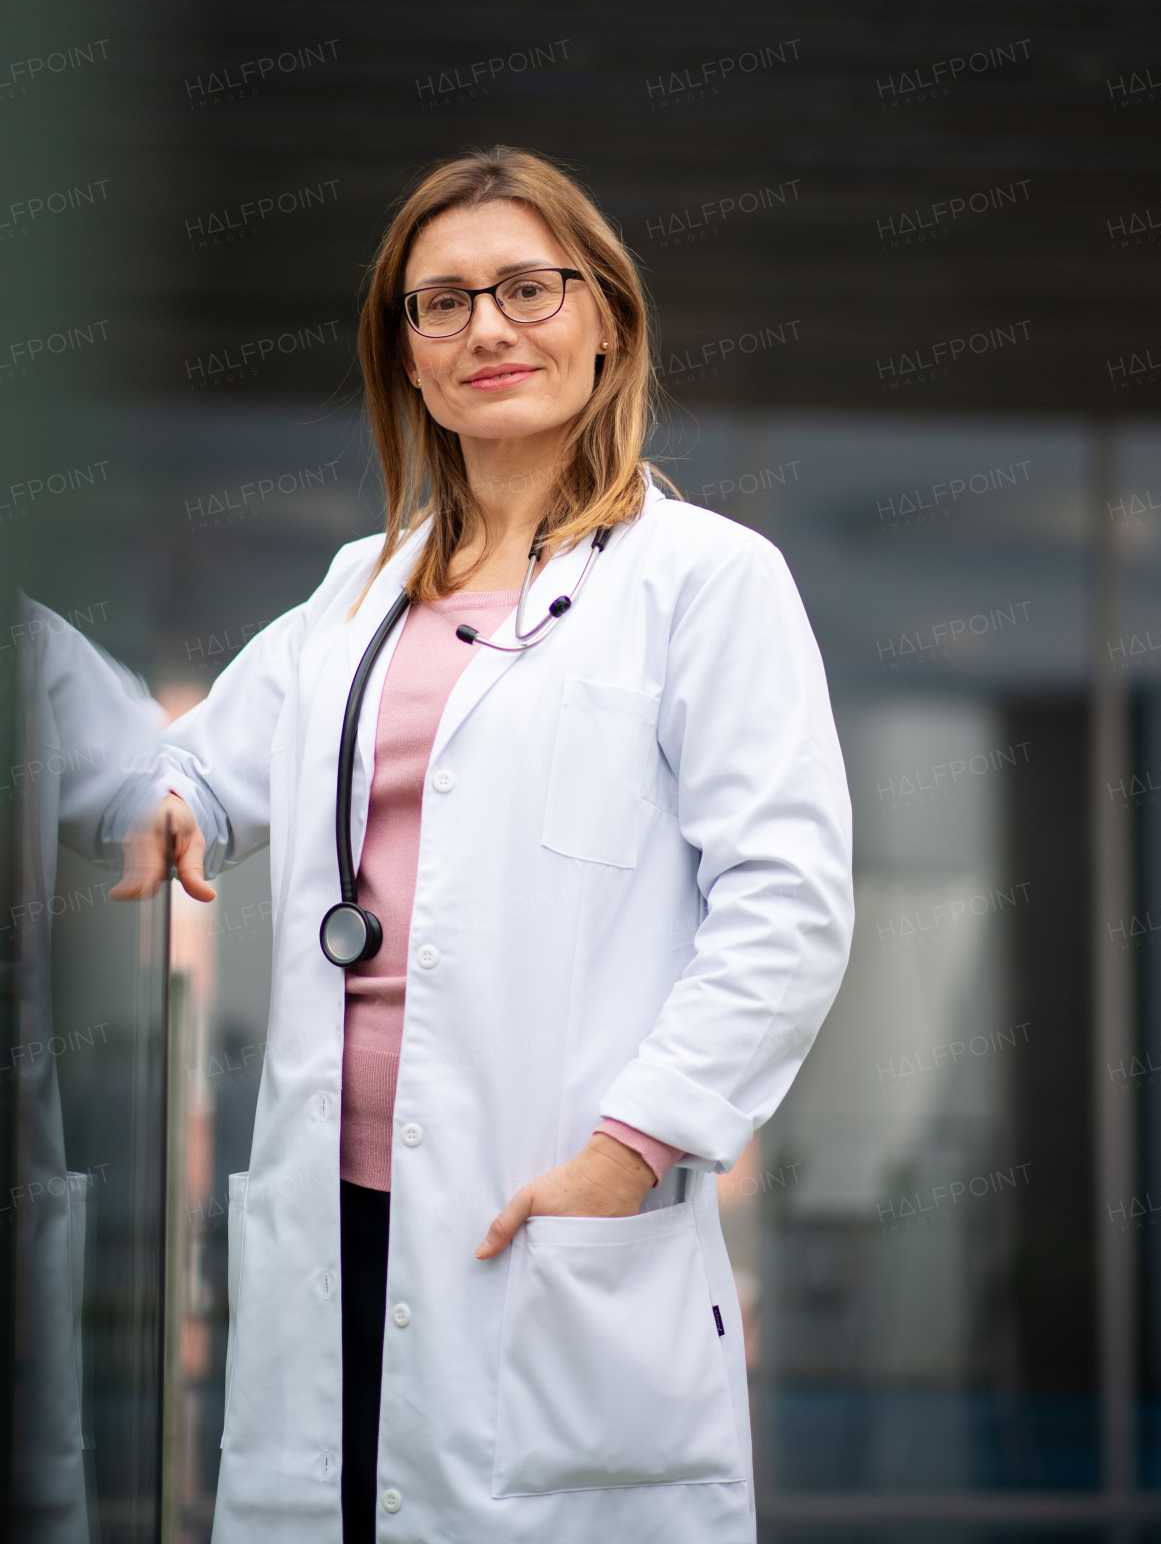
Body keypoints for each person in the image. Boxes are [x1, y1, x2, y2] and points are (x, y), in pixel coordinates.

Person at [110, 146, 855, 1544]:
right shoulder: (361, 589)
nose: (486, 330)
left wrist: (628, 1153)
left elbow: (789, 906)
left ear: (607, 320)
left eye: (528, 287)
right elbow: (195, 774)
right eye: (439, 303)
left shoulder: (706, 583)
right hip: (334, 1214)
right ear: (404, 355)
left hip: (545, 1207)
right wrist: (156, 806)